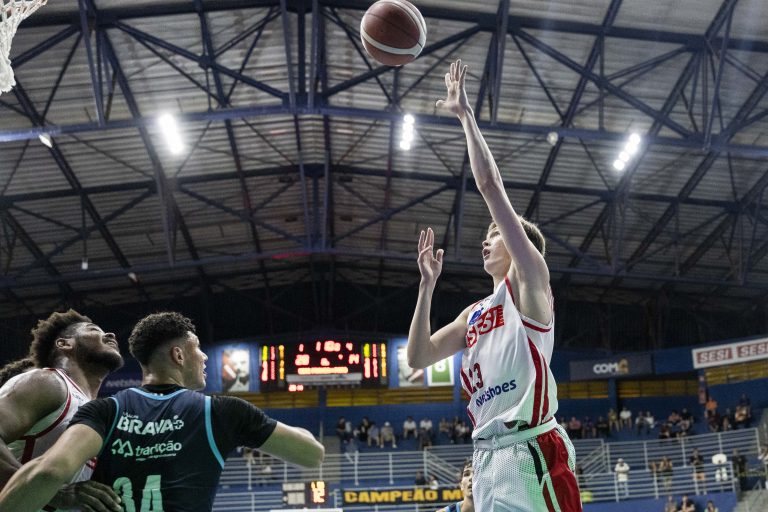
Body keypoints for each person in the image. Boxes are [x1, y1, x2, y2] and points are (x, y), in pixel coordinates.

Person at [407, 59, 580, 512]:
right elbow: (418, 356)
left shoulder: (531, 284)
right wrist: (426, 288)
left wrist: (466, 115)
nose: (486, 241)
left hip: (532, 447)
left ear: (522, 246)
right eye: (486, 235)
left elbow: (488, 184)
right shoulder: (474, 314)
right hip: (486, 457)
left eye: (495, 234)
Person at [0, 311, 324, 512]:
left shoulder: (101, 411)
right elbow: (312, 454)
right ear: (179, 355)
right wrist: (56, 495)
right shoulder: (48, 382)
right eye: (198, 349)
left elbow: (50, 474)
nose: (205, 357)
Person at [0, 310, 124, 511]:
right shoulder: (49, 382)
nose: (111, 335)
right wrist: (49, 491)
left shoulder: (97, 411)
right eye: (94, 330)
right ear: (65, 344)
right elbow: (53, 489)